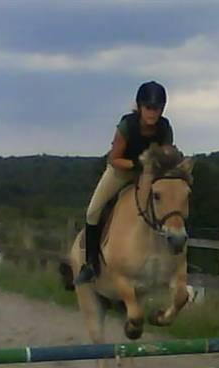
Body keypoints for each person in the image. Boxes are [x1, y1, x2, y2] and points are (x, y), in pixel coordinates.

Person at [74, 80, 174, 285]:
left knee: (170, 203)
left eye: (157, 108)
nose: (152, 113)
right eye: (148, 107)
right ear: (139, 107)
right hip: (121, 171)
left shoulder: (164, 127)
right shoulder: (127, 126)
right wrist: (136, 163)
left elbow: (166, 156)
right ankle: (91, 264)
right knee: (93, 211)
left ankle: (174, 255)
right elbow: (114, 158)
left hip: (148, 174)